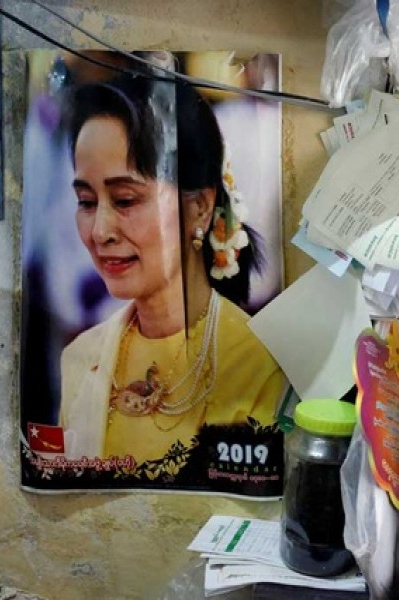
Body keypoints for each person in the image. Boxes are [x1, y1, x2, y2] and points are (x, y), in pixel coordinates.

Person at [58, 76, 286, 464]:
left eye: (125, 199)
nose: (100, 232)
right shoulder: (82, 359)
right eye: (86, 201)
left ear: (199, 206)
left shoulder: (260, 364)